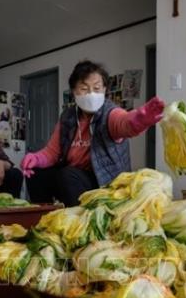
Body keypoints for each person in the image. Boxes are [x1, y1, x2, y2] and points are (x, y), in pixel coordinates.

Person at [21, 60, 165, 206]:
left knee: (68, 175)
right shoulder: (67, 117)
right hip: (74, 177)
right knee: (37, 172)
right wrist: (36, 158)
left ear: (104, 90)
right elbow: (51, 152)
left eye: (97, 88)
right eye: (84, 88)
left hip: (104, 180)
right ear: (74, 91)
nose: (91, 94)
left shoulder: (109, 113)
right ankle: (44, 216)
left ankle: (80, 222)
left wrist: (138, 121)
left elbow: (124, 122)